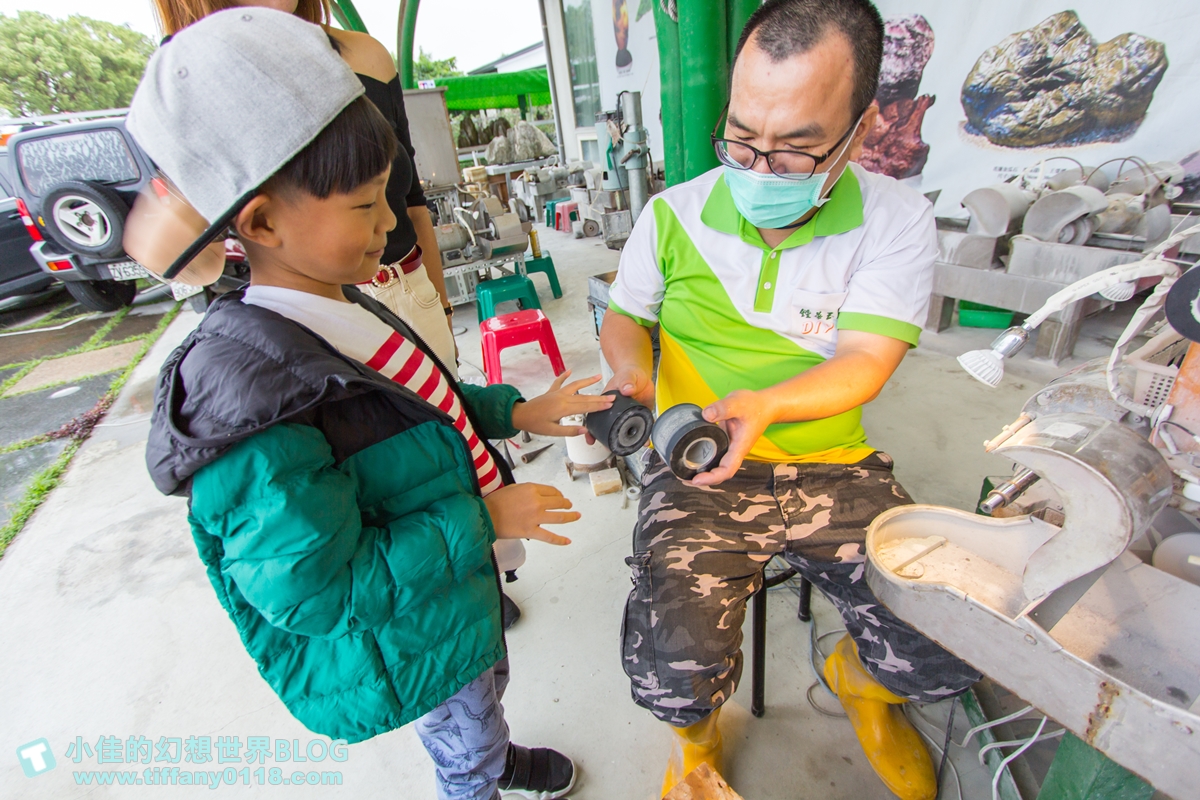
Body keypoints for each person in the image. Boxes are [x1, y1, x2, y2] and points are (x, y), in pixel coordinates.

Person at [133, 10, 590, 798]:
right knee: (461, 727)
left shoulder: (335, 300)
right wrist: (485, 520)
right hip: (407, 624)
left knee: (483, 692)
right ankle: (479, 778)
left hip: (452, 591)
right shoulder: (252, 407)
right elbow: (319, 592)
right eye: (363, 205)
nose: (390, 223)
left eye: (386, 196)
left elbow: (422, 411)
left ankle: (495, 756)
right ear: (262, 220)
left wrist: (515, 413)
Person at [600, 1, 981, 798]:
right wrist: (634, 372)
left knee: (946, 651)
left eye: (795, 150)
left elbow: (866, 361)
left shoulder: (896, 220)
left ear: (862, 126)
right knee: (671, 668)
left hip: (833, 466)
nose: (757, 169)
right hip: (699, 467)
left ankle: (859, 679)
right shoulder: (672, 214)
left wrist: (769, 406)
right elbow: (628, 318)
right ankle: (695, 751)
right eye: (741, 138)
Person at [144, 0, 457, 376]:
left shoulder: (366, 55)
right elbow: (184, 259)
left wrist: (439, 305)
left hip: (407, 291)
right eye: (363, 204)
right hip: (305, 318)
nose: (385, 220)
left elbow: (412, 204)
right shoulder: (188, 79)